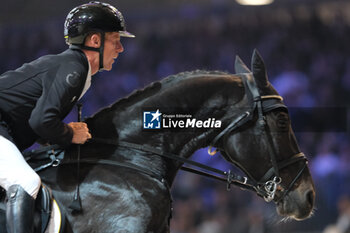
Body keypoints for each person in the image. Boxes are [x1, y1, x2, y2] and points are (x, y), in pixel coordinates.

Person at [0, 1, 134, 232]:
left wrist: (59, 134)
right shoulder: (74, 68)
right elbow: (41, 121)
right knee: (26, 183)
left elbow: (34, 119)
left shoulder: (75, 67)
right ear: (95, 41)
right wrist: (70, 133)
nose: (120, 48)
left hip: (7, 129)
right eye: (116, 40)